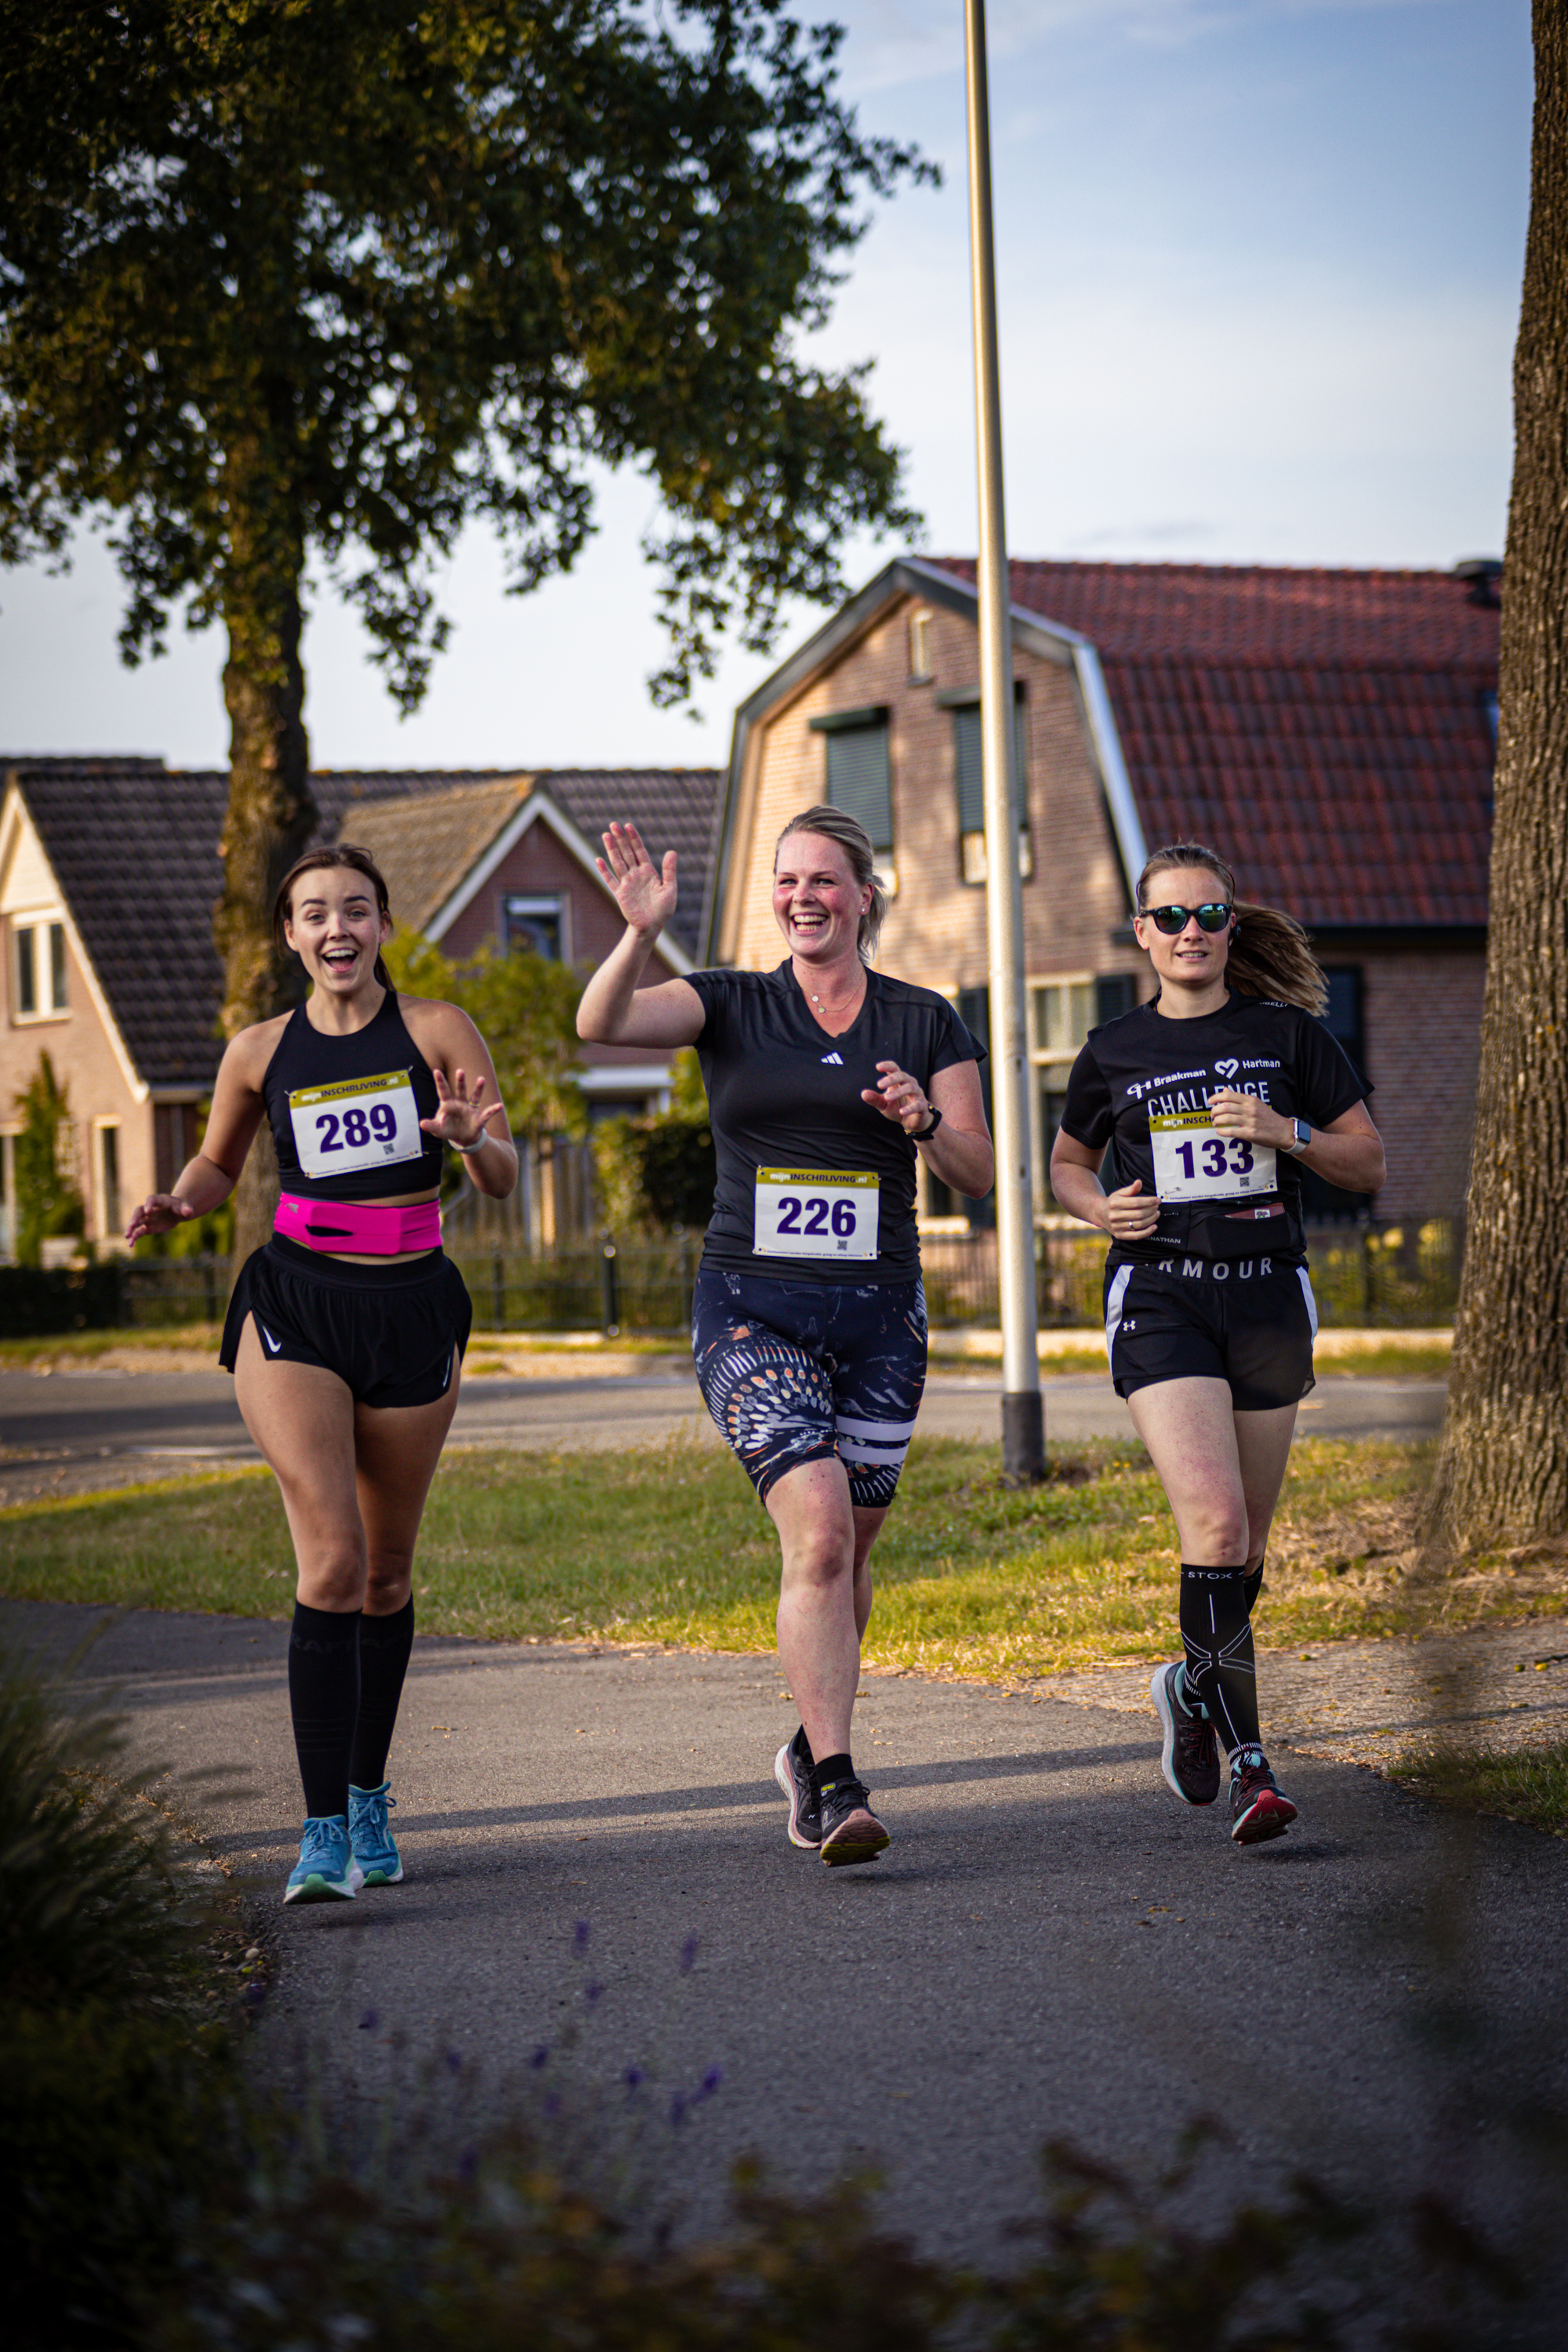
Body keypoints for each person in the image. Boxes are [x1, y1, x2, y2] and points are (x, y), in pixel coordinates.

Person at [578, 806, 994, 1864]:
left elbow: (981, 1173)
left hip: (880, 1319)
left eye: (825, 881)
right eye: (788, 881)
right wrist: (637, 932)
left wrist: (923, 1123)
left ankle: (810, 1745)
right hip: (753, 1308)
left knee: (849, 1553)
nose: (804, 898)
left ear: (865, 896)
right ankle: (841, 1786)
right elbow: (599, 1024)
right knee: (814, 1532)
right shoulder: (729, 1004)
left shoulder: (925, 1021)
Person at [126, 847, 517, 1902]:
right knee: (333, 1560)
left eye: (355, 908)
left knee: (386, 1575)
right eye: (313, 913)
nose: (335, 927)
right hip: (293, 1305)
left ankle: (365, 1796)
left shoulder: (436, 1031)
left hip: (411, 1310)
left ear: (384, 924)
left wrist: (473, 1143)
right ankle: (317, 1837)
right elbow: (218, 1160)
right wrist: (181, 1200)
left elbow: (502, 1170)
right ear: (290, 936)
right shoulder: (257, 1050)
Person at [1050, 840, 1385, 1845]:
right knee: (1217, 1528)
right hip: (1163, 1299)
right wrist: (1099, 1210)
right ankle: (1251, 1766)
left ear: (1230, 929)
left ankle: (1191, 1690)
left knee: (1243, 1554)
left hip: (1267, 1296)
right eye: (1169, 918)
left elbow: (1365, 1163)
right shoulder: (1112, 1049)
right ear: (1140, 934)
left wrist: (1287, 1135)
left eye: (1207, 916)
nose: (1188, 933)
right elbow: (1067, 1164)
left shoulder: (1286, 1035)